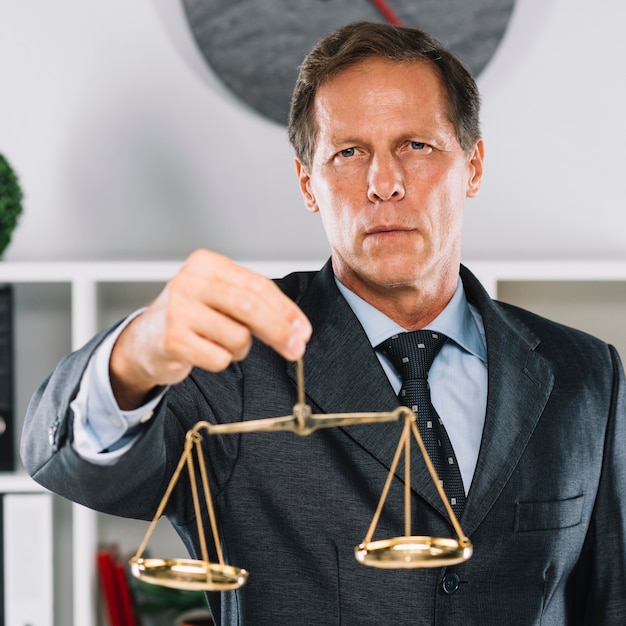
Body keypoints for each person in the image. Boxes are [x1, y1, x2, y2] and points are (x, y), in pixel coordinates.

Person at [21, 21, 626, 625]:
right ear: (307, 182)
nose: (383, 184)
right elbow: (70, 463)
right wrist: (133, 358)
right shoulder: (234, 357)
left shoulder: (586, 374)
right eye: (348, 152)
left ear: (473, 165)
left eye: (416, 146)